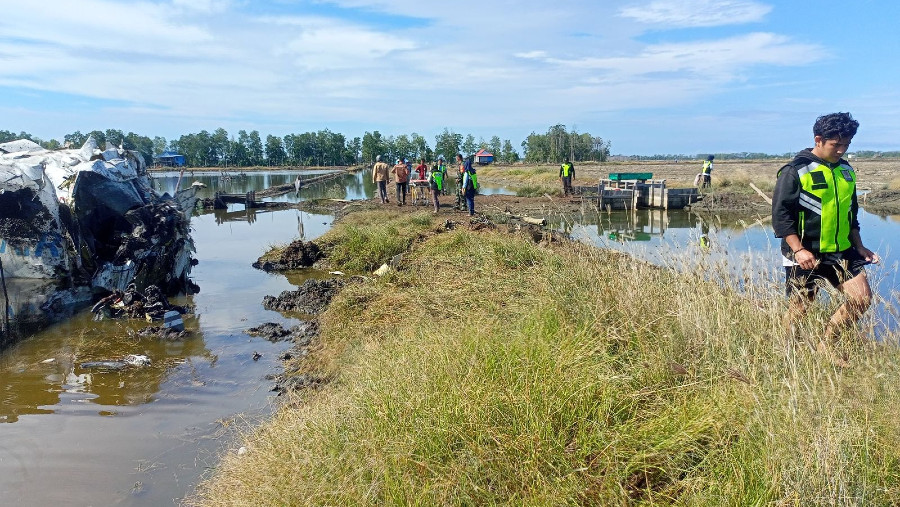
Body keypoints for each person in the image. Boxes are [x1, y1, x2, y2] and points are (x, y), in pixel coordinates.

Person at [772, 112, 879, 361]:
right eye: (836, 144)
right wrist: (798, 249)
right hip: (805, 251)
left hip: (841, 250)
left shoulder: (846, 171)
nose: (842, 150)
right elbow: (781, 215)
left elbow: (852, 212)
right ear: (819, 139)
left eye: (847, 145)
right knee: (800, 308)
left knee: (862, 300)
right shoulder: (795, 170)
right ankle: (785, 354)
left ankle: (826, 346)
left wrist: (860, 246)